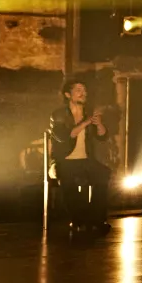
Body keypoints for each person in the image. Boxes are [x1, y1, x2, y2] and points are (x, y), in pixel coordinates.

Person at [49, 79, 111, 233]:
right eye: (78, 90)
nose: (83, 93)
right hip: (65, 160)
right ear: (68, 94)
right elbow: (64, 135)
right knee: (68, 182)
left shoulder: (89, 113)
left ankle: (97, 219)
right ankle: (78, 219)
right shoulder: (59, 114)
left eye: (84, 90)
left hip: (85, 160)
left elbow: (102, 136)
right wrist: (86, 122)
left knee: (103, 173)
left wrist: (98, 124)